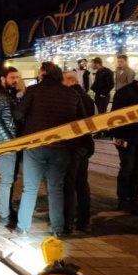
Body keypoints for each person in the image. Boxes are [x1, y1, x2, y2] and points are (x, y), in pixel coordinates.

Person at [13, 62, 86, 237]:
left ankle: (23, 227)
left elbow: (18, 114)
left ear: (44, 73)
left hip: (35, 145)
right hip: (62, 147)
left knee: (30, 188)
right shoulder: (72, 94)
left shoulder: (34, 91)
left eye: (40, 72)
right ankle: (57, 229)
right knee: (56, 189)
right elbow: (82, 120)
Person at [62, 71, 96, 233]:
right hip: (85, 145)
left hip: (73, 145)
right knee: (82, 183)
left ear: (70, 80)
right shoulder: (87, 97)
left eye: (62, 80)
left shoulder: (71, 96)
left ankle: (69, 221)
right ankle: (84, 219)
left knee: (69, 183)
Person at [0, 66, 21, 228]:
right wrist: (9, 140)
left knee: (11, 179)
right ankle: (4, 216)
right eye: (12, 77)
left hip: (13, 142)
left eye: (17, 77)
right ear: (3, 78)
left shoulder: (9, 94)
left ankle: (7, 211)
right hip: (5, 143)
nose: (16, 80)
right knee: (6, 180)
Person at [109, 76, 138, 214]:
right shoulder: (125, 92)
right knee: (127, 168)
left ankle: (134, 198)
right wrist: (118, 135)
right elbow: (116, 115)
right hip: (126, 137)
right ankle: (123, 199)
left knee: (137, 168)